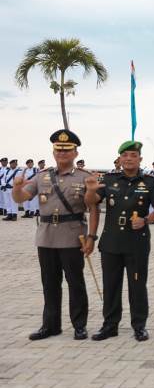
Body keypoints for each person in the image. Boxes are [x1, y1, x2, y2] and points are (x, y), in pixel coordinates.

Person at [12, 129, 97, 340]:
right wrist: (16, 188)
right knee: (49, 283)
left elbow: (92, 208)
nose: (62, 153)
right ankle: (50, 325)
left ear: (75, 153)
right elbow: (20, 198)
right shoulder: (42, 177)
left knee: (75, 282)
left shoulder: (85, 177)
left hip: (72, 236)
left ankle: (79, 325)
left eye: (67, 150)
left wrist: (91, 237)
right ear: (53, 152)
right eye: (58, 149)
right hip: (46, 237)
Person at [85, 140, 154, 342]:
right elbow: (91, 203)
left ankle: (139, 326)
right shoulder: (108, 180)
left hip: (137, 242)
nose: (129, 159)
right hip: (111, 241)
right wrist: (91, 189)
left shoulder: (150, 182)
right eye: (125, 155)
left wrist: (145, 220)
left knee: (137, 285)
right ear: (119, 159)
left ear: (140, 159)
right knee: (111, 286)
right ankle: (110, 326)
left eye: (133, 155)